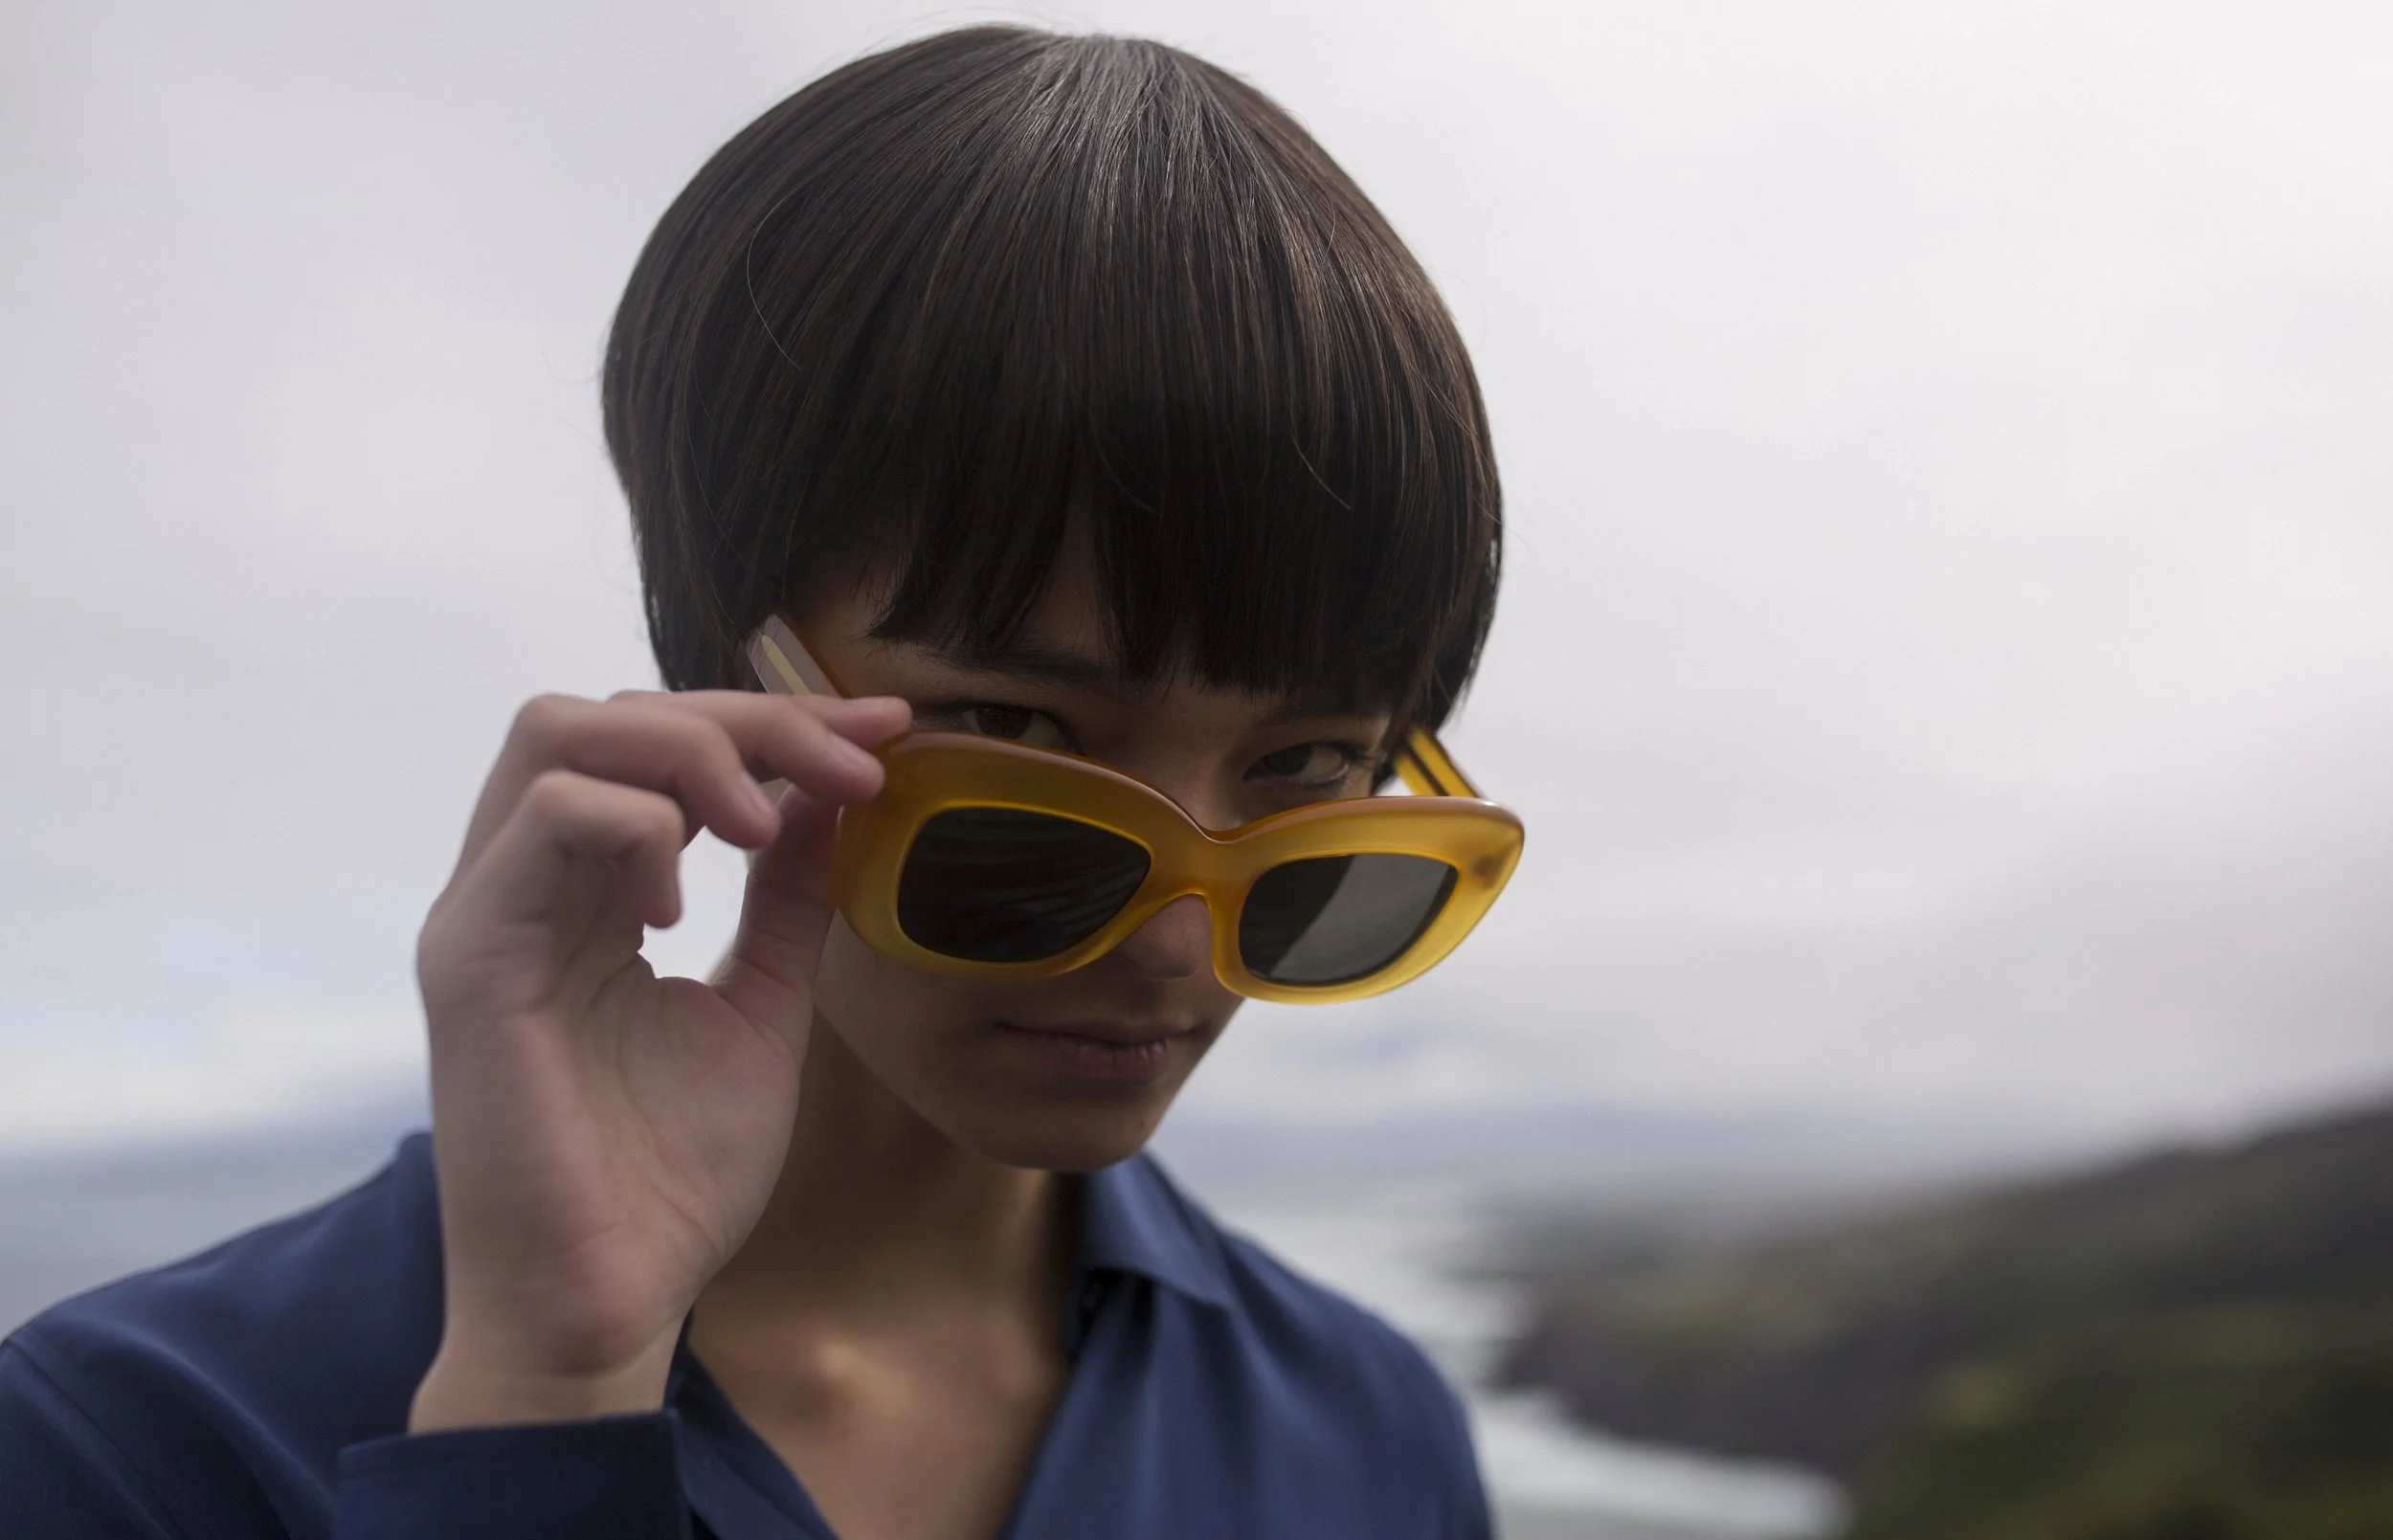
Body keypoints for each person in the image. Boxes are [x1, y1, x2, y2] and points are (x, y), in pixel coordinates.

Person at [0, 26, 1515, 1539]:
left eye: (1311, 766)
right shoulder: (128, 1448)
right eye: (1024, 733)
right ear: (727, 669)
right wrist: (544, 1405)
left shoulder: (1370, 1433)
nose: (1175, 946)